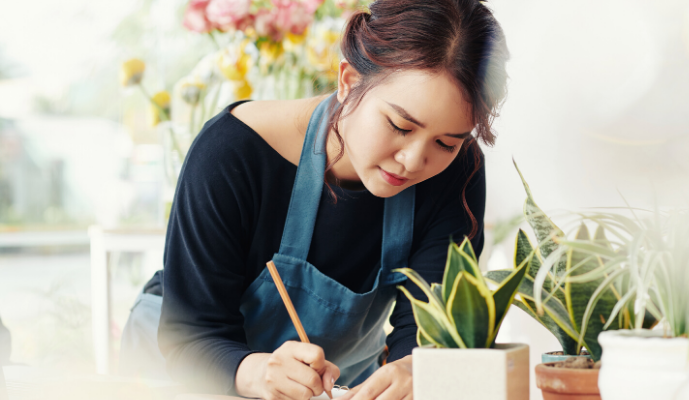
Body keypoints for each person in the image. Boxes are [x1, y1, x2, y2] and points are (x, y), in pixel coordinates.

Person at [119, 0, 509, 399]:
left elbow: (429, 327)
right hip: (179, 374)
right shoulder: (233, 151)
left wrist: (415, 368)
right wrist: (256, 372)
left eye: (445, 142)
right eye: (399, 125)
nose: (413, 161)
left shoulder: (456, 172)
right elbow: (190, 334)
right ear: (349, 80)